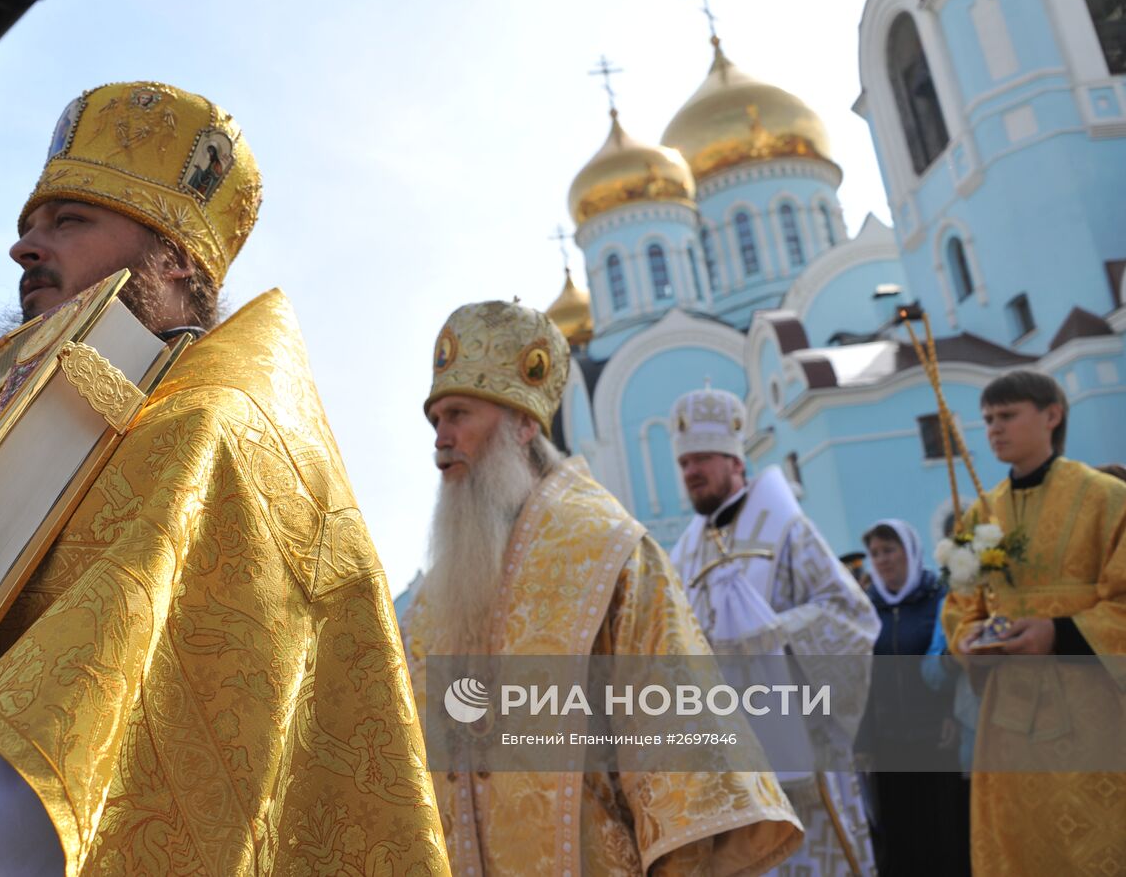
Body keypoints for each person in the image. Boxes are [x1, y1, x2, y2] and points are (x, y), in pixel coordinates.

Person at [0, 82, 447, 875]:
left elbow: (43, 778)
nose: (24, 249)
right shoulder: (57, 425)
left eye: (69, 221)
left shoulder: (215, 431)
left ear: (175, 257)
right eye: (28, 226)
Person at [401, 301, 802, 875]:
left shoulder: (609, 553)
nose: (442, 438)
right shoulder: (432, 600)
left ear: (524, 423)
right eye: (436, 420)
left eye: (459, 414)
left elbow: (681, 758)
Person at [667, 387, 880, 877]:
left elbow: (851, 614)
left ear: (735, 462)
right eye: (684, 464)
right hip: (727, 757)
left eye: (702, 459)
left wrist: (775, 636)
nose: (690, 472)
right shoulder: (682, 553)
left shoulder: (787, 529)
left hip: (802, 745)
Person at [943, 370, 1126, 875]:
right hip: (1009, 721)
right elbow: (961, 603)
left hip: (1094, 712)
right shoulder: (981, 512)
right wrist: (970, 637)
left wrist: (1058, 632)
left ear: (1051, 415)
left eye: (1007, 415)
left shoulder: (1106, 498)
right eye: (987, 420)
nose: (994, 429)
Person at [859, 520, 968, 876]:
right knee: (901, 842)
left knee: (944, 836)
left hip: (935, 738)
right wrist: (865, 740)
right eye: (875, 553)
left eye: (889, 550)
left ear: (910, 551)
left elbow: (951, 661)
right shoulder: (866, 610)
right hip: (889, 744)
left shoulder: (938, 599)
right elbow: (860, 681)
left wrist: (953, 714)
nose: (882, 560)